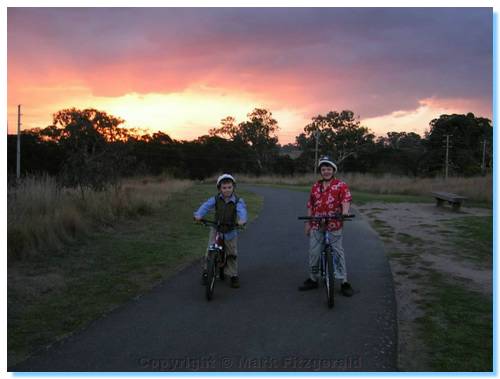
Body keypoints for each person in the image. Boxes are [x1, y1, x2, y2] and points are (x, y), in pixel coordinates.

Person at [298, 156, 354, 296]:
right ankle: (313, 279)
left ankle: (344, 282)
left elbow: (346, 200)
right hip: (317, 223)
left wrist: (345, 212)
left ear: (333, 170)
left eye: (329, 169)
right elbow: (310, 205)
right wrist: (308, 223)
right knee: (314, 251)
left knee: (338, 252)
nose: (326, 171)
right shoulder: (315, 187)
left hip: (334, 223)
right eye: (323, 169)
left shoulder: (341, 185)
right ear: (320, 171)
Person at [194, 174, 247, 289]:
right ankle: (206, 271)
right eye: (224, 188)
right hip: (216, 228)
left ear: (233, 187)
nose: (227, 190)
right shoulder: (215, 199)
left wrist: (242, 220)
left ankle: (233, 275)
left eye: (229, 187)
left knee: (232, 254)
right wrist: (198, 215)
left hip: (230, 230)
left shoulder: (238, 201)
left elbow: (242, 210)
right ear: (219, 188)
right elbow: (205, 206)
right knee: (210, 250)